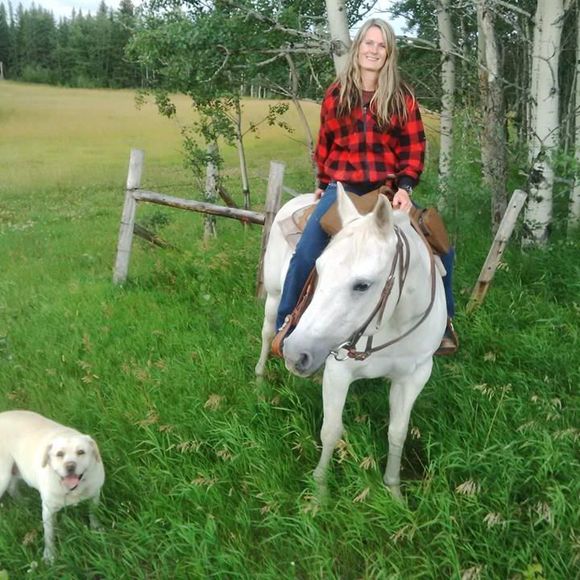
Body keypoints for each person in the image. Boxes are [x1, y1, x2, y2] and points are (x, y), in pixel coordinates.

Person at [275, 18, 458, 355]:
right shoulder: (337, 93)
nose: (374, 50)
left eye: (381, 45)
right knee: (306, 253)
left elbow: (413, 147)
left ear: (389, 53)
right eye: (368, 43)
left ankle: (444, 322)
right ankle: (286, 325)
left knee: (441, 246)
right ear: (358, 47)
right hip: (343, 189)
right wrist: (322, 183)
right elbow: (326, 143)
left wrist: (404, 188)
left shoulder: (401, 97)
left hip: (386, 192)